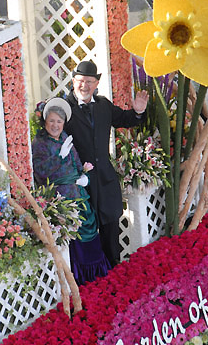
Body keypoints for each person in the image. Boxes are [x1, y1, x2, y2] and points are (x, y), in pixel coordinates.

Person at [64, 61, 149, 267]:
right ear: (73, 81)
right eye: (80, 81)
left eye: (89, 82)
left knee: (111, 221)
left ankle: (113, 266)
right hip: (80, 179)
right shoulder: (64, 108)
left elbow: (125, 119)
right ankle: (91, 272)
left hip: (105, 175)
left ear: (96, 83)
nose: (84, 86)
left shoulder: (103, 105)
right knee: (87, 225)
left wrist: (137, 112)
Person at [31, 97, 111, 285]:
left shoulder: (66, 138)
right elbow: (40, 171)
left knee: (90, 233)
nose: (55, 125)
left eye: (59, 121)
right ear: (45, 121)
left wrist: (84, 176)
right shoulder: (40, 142)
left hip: (78, 194)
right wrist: (59, 157)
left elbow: (76, 163)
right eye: (52, 121)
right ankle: (80, 280)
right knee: (74, 241)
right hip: (60, 199)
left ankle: (96, 276)